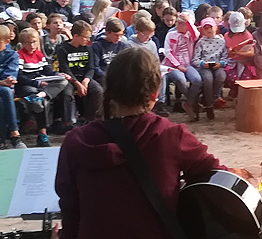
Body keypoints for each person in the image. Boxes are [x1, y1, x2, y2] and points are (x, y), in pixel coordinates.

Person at [56, 40, 227, 239]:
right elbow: (217, 178)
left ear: (109, 88)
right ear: (155, 93)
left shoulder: (77, 140)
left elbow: (69, 206)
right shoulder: (171, 135)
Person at [16, 29, 74, 147]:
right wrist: (36, 84)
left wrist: (57, 75)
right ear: (22, 43)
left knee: (63, 81)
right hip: (27, 85)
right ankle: (43, 133)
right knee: (42, 102)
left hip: (41, 84)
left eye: (34, 42)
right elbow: (19, 76)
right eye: (28, 43)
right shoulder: (19, 55)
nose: (31, 45)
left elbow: (46, 70)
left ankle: (40, 96)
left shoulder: (39, 54)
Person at [55, 21, 103, 123]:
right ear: (75, 36)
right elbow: (65, 69)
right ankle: (68, 122)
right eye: (85, 37)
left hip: (84, 77)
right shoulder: (62, 49)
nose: (88, 40)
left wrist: (86, 81)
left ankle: (89, 119)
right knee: (67, 94)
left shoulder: (88, 49)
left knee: (98, 90)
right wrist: (77, 83)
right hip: (69, 78)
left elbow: (91, 67)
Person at [192, 17, 227, 120]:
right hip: (205, 66)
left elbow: (226, 57)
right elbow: (195, 59)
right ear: (202, 30)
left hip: (217, 65)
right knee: (208, 79)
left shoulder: (221, 42)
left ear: (215, 28)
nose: (209, 30)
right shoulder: (200, 42)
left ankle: (210, 98)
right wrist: (202, 63)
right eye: (206, 28)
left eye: (210, 27)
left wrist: (221, 64)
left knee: (221, 76)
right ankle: (209, 106)